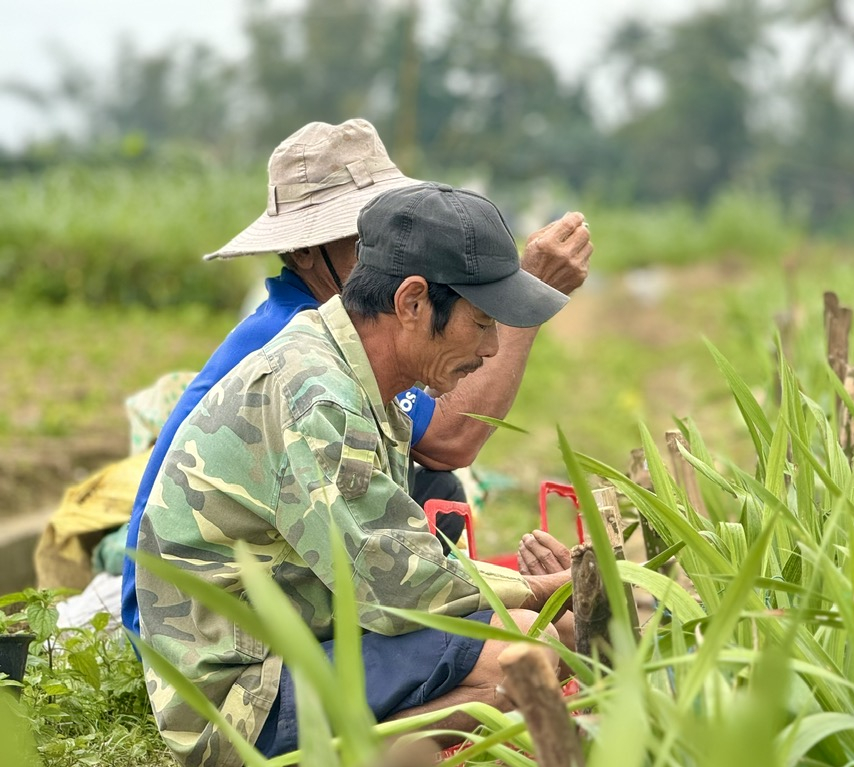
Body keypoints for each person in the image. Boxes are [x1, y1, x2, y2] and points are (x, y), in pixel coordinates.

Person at [136, 182, 578, 767]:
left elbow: (390, 557)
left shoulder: (348, 365)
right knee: (522, 659)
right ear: (413, 302)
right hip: (239, 700)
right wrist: (541, 589)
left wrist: (538, 601)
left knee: (535, 645)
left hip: (292, 647)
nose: (492, 348)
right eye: (480, 323)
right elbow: (402, 586)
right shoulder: (319, 396)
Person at [119, 118, 591, 641]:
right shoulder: (300, 352)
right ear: (305, 253)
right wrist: (550, 590)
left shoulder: (345, 334)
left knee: (434, 494)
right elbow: (450, 439)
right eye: (367, 241)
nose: (387, 257)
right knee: (515, 635)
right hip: (204, 630)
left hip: (257, 592)